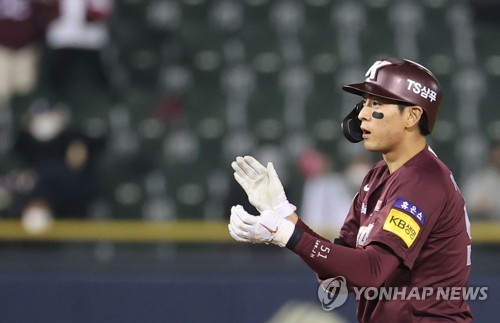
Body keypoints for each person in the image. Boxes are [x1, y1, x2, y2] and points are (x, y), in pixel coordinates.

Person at [228, 58, 473, 322]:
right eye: (364, 103)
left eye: (376, 103)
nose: (362, 114)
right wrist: (285, 215)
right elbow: (340, 278)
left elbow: (373, 272)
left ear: (412, 116)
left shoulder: (424, 179)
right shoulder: (378, 177)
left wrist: (289, 235)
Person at [462, 140, 500, 220]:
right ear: (490, 155)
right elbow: (467, 205)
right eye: (497, 154)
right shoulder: (478, 180)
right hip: (484, 228)